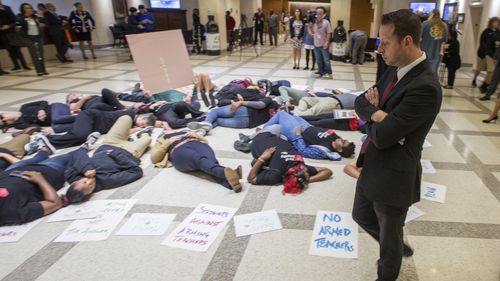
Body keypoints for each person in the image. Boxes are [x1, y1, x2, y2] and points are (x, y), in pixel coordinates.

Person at [353, 9, 442, 281]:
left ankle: (388, 265)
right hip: (373, 164)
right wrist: (378, 115)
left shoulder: (426, 86)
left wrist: (377, 117)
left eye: (386, 42)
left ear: (407, 41)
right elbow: (360, 102)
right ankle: (394, 244)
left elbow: (382, 135)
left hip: (394, 175)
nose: (380, 49)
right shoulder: (394, 69)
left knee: (389, 244)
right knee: (361, 215)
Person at [63, 115, 151, 204]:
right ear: (89, 195)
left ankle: (131, 133)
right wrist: (116, 155)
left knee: (126, 118)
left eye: (84, 181)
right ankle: (141, 132)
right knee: (147, 139)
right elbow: (136, 171)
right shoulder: (107, 181)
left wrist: (86, 168)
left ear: (75, 182)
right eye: (90, 187)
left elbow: (78, 153)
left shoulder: (71, 175)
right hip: (129, 151)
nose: (90, 181)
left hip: (108, 143)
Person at [150, 130, 242, 192]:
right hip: (178, 151)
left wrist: (198, 136)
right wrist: (168, 142)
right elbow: (154, 158)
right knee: (199, 160)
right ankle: (227, 173)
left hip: (196, 143)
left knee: (210, 161)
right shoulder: (162, 139)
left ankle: (231, 183)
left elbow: (206, 142)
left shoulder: (185, 131)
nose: (167, 128)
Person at [247, 131, 332, 194]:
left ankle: (249, 139)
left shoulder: (276, 174)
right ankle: (249, 138)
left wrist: (261, 158)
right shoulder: (301, 167)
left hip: (260, 139)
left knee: (279, 119)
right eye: (307, 172)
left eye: (305, 171)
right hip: (278, 137)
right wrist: (306, 180)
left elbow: (251, 179)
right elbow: (327, 171)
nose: (305, 168)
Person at [26, 108, 155, 150]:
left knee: (78, 140)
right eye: (142, 123)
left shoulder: (132, 119)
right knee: (80, 135)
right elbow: (124, 133)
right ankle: (44, 140)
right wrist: (139, 129)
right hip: (90, 116)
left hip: (93, 124)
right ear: (142, 118)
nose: (140, 126)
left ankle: (47, 141)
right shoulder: (129, 115)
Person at [187, 98, 273, 130]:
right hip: (248, 123)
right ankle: (202, 131)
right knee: (218, 122)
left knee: (215, 112)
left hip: (244, 110)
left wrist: (241, 102)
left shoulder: (272, 101)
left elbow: (260, 105)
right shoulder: (280, 117)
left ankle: (206, 123)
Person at [0, 100, 76, 133]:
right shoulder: (19, 124)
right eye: (4, 121)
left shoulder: (23, 107)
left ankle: (80, 116)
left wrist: (41, 110)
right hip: (57, 119)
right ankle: (81, 121)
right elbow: (36, 127)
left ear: (4, 113)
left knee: (56, 119)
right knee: (56, 128)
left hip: (56, 108)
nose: (6, 118)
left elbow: (43, 102)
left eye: (2, 117)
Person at [18, 3, 48, 77]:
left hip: (38, 37)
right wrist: (24, 38)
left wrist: (40, 16)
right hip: (29, 38)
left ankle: (43, 70)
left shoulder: (35, 17)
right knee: (34, 55)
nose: (29, 9)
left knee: (41, 54)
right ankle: (39, 71)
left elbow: (44, 22)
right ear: (23, 9)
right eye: (26, 8)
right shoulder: (21, 18)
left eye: (30, 8)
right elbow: (19, 28)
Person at [0, 1, 30, 71]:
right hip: (2, 33)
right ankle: (16, 65)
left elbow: (14, 20)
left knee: (17, 49)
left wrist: (9, 26)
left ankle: (24, 65)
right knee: (10, 50)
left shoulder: (7, 8)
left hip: (11, 32)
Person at [473, 17, 500, 92]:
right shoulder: (486, 31)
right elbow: (483, 42)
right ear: (491, 23)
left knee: (490, 70)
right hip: (484, 53)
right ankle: (475, 79)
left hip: (493, 55)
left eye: (497, 22)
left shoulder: (498, 32)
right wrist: (485, 52)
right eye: (494, 22)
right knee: (480, 68)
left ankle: (485, 85)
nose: (496, 24)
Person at [308, 6, 332, 78]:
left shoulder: (326, 22)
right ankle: (321, 72)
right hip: (316, 44)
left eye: (320, 13)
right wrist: (310, 33)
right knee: (318, 60)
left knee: (326, 60)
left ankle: (329, 73)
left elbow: (329, 33)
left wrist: (327, 42)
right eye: (317, 13)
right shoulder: (314, 22)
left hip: (324, 44)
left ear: (323, 14)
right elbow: (309, 28)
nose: (319, 15)